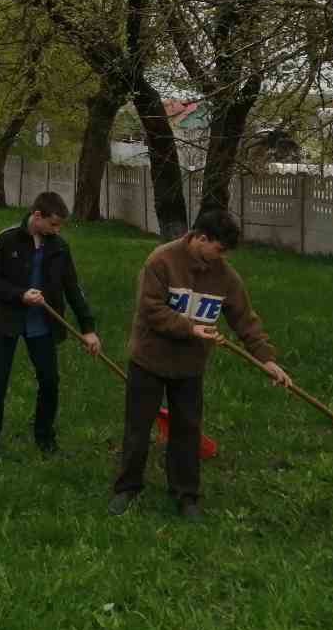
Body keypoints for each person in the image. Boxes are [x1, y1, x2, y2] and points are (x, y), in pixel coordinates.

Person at [108, 206, 291, 521]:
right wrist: (191, 328)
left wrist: (266, 359)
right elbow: (150, 309)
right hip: (149, 360)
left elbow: (244, 319)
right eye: (219, 249)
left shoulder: (225, 277)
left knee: (187, 431)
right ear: (201, 238)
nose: (223, 257)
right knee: (138, 428)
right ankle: (127, 488)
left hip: (190, 366)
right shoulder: (161, 261)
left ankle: (186, 495)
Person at [0, 189, 101, 464]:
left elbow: (73, 288)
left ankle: (45, 438)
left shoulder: (59, 247)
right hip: (8, 320)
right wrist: (20, 294)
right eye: (53, 224)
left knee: (50, 382)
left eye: (60, 226)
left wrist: (88, 328)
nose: (57, 230)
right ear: (37, 216)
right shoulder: (7, 238)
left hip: (42, 324)